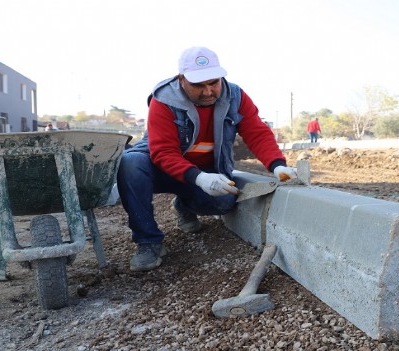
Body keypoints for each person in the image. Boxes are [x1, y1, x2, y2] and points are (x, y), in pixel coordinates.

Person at [117, 46, 298, 272]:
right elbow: (163, 152)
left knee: (222, 203)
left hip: (204, 167)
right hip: (158, 165)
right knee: (130, 164)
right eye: (198, 85)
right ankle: (148, 242)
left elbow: (256, 132)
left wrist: (277, 164)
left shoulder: (236, 97)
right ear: (181, 79)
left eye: (213, 82)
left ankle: (183, 205)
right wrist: (199, 178)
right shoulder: (164, 100)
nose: (208, 91)